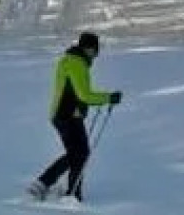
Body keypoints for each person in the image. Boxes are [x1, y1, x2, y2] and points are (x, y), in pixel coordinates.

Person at [27, 31, 120, 202]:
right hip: (66, 115)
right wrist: (108, 98)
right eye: (96, 50)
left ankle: (71, 192)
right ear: (89, 49)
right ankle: (46, 184)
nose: (97, 54)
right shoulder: (76, 64)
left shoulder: (74, 61)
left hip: (69, 114)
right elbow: (84, 95)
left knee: (80, 153)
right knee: (77, 153)